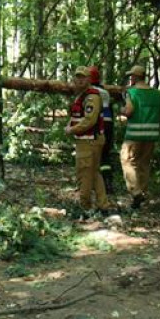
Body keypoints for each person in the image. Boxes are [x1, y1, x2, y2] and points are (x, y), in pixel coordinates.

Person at [64, 66, 110, 214]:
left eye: (83, 77)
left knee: (84, 174)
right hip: (87, 140)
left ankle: (86, 208)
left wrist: (72, 130)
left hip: (89, 141)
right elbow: (76, 117)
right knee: (94, 173)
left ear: (89, 79)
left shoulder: (91, 97)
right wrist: (69, 125)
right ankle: (103, 207)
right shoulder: (81, 96)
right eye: (77, 77)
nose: (80, 80)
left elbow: (89, 120)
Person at [120, 64, 160, 209]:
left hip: (134, 134)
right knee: (144, 164)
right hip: (151, 134)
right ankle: (142, 194)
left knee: (127, 161)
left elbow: (129, 110)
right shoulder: (158, 94)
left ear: (134, 77)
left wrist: (121, 110)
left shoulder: (132, 92)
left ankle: (136, 191)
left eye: (131, 76)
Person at [88, 66, 115, 195]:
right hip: (108, 124)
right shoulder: (105, 92)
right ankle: (108, 182)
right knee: (105, 155)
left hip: (97, 124)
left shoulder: (89, 92)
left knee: (92, 153)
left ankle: (94, 183)